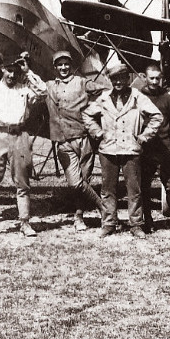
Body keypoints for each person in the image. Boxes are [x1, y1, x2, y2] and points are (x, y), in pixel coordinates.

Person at [83, 62, 163, 238]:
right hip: (108, 149)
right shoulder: (104, 97)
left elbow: (157, 116)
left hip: (130, 150)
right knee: (108, 189)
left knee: (133, 190)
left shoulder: (137, 97)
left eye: (121, 78)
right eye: (114, 79)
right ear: (110, 80)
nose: (118, 82)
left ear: (128, 79)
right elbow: (87, 115)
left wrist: (144, 136)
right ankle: (109, 223)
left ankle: (136, 224)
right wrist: (97, 132)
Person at [0, 53, 47, 237]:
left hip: (19, 136)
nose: (12, 75)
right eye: (9, 71)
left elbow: (43, 92)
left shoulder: (25, 90)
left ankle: (24, 223)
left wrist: (28, 72)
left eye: (16, 71)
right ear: (3, 69)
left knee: (22, 183)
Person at [44, 50, 106, 232]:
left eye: (66, 64)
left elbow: (105, 91)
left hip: (83, 138)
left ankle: (78, 217)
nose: (63, 68)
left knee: (84, 180)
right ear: (55, 67)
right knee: (76, 183)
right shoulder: (48, 86)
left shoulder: (82, 82)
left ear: (71, 66)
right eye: (59, 65)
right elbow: (31, 84)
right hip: (63, 141)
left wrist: (93, 109)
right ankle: (102, 206)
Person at [138, 63, 170, 235]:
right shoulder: (138, 96)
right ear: (144, 78)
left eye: (157, 78)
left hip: (165, 147)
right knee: (144, 184)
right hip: (145, 148)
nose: (154, 82)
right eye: (151, 78)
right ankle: (147, 220)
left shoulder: (167, 98)